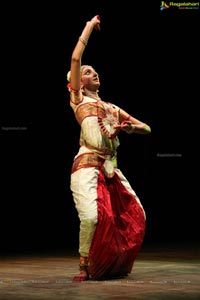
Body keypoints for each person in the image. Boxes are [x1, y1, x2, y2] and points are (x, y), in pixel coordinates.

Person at [66, 15, 151, 281]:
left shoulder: (112, 108)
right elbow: (76, 59)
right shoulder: (78, 100)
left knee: (137, 214)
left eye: (94, 71)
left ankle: (112, 263)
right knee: (91, 218)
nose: (94, 73)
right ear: (78, 83)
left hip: (110, 167)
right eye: (88, 72)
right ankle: (83, 264)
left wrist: (128, 128)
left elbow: (147, 128)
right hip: (87, 165)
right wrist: (89, 27)